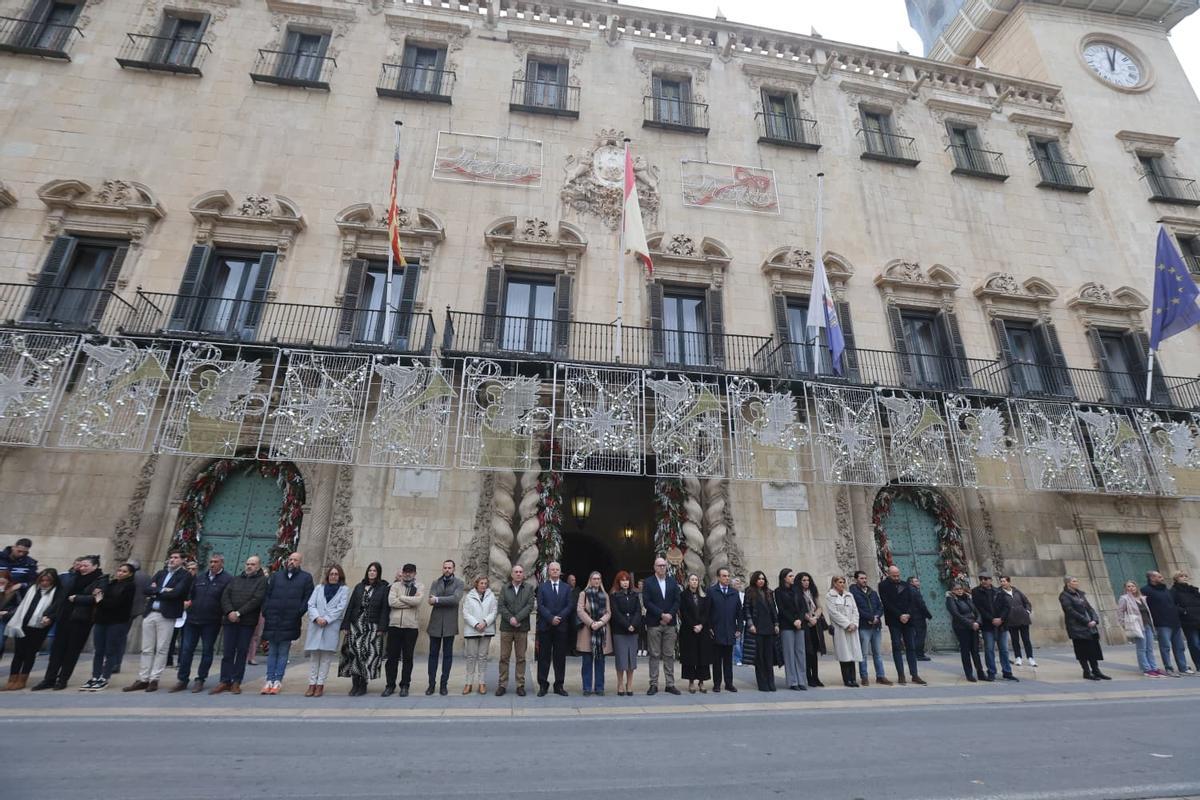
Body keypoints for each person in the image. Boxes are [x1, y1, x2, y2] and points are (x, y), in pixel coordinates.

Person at [124, 550, 193, 693]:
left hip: (166, 615)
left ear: (182, 560)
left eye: (175, 557)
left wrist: (158, 590)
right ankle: (143, 678)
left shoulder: (185, 576)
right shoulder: (160, 573)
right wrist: (164, 590)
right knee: (147, 648)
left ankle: (154, 679)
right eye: (171, 557)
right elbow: (146, 589)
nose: (172, 560)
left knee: (162, 648)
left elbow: (177, 593)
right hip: (150, 613)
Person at [33, 555, 104, 691]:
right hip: (64, 617)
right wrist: (50, 614)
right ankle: (49, 679)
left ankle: (63, 679)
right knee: (56, 650)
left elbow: (97, 599)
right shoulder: (73, 577)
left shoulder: (101, 579)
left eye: (86, 565)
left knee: (71, 651)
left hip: (82, 620)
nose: (82, 568)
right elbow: (61, 598)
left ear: (95, 566)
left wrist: (78, 598)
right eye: (81, 565)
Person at [171, 553, 232, 693]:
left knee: (207, 651)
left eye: (216, 562)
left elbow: (227, 598)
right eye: (211, 561)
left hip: (211, 621)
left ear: (222, 563)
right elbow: (190, 594)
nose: (212, 564)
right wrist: (187, 603)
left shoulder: (227, 579)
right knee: (186, 650)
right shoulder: (200, 578)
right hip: (193, 619)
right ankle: (183, 679)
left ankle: (200, 679)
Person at [210, 555, 267, 695]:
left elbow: (256, 599)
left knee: (241, 652)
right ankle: (224, 680)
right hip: (230, 621)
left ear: (259, 566)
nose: (249, 566)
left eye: (253, 564)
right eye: (247, 563)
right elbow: (225, 596)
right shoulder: (235, 579)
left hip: (246, 622)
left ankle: (236, 681)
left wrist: (239, 613)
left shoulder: (262, 581)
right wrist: (230, 612)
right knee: (228, 652)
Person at [260, 551, 313, 695]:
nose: (291, 562)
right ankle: (269, 679)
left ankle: (277, 680)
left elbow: (308, 597)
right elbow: (267, 594)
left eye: (295, 560)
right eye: (290, 559)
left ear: (300, 562)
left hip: (290, 619)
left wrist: (298, 613)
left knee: (283, 652)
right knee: (272, 651)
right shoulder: (276, 576)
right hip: (273, 618)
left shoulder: (306, 578)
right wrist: (266, 610)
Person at [4, 568, 63, 690]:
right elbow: (22, 605)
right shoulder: (32, 589)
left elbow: (57, 608)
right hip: (22, 624)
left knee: (30, 653)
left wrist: (50, 618)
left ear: (53, 581)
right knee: (18, 653)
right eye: (42, 580)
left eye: (48, 581)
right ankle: (12, 679)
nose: (44, 583)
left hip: (39, 627)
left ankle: (22, 680)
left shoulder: (57, 592)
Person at [84, 562, 136, 691]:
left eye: (124, 571)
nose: (120, 573)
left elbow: (117, 603)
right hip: (102, 619)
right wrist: (99, 597)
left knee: (110, 650)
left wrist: (100, 600)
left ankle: (105, 677)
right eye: (119, 570)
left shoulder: (130, 586)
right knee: (99, 650)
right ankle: (95, 676)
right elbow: (98, 597)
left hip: (117, 621)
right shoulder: (111, 583)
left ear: (130, 574)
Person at [339, 562, 389, 696]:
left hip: (372, 626)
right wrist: (345, 624)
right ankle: (355, 683)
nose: (372, 573)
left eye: (374, 571)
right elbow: (351, 606)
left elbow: (385, 609)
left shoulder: (382, 588)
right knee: (354, 653)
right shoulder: (359, 587)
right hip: (356, 625)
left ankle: (363, 683)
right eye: (370, 570)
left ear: (378, 573)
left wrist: (382, 627)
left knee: (366, 655)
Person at [304, 564, 349, 697]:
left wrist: (327, 619)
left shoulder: (344, 590)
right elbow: (311, 604)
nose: (333, 576)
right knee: (314, 657)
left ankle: (320, 684)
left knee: (325, 659)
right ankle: (311, 683)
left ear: (340, 576)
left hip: (330, 626)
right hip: (316, 625)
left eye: (336, 574)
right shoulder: (319, 588)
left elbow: (341, 608)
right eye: (331, 574)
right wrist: (317, 617)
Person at [878, 566, 927, 685]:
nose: (896, 577)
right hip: (894, 620)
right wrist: (900, 615)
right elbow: (886, 603)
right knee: (896, 647)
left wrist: (908, 614)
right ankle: (901, 674)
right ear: (888, 574)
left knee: (911, 647)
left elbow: (911, 601)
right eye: (894, 575)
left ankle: (914, 674)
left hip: (908, 620)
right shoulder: (883, 585)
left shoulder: (906, 585)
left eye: (898, 575)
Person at [383, 563, 424, 697]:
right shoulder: (395, 586)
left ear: (414, 573)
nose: (408, 574)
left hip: (410, 627)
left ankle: (405, 685)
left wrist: (401, 598)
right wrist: (409, 602)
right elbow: (391, 602)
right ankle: (390, 685)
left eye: (410, 572)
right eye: (406, 572)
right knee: (392, 658)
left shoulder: (420, 586)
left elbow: (418, 601)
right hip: (394, 626)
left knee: (408, 658)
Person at [642, 557, 681, 696]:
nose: (662, 568)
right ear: (654, 567)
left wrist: (669, 614)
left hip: (670, 624)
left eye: (664, 565)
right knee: (654, 654)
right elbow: (647, 602)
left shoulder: (672, 582)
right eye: (659, 565)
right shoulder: (648, 582)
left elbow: (677, 600)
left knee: (669, 654)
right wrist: (661, 614)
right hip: (654, 623)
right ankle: (653, 684)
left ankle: (670, 684)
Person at [426, 559, 464, 696]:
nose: (447, 570)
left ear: (454, 569)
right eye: (445, 567)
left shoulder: (459, 583)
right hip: (435, 624)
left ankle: (444, 684)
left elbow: (455, 599)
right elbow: (430, 600)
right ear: (442, 569)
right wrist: (437, 600)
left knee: (447, 656)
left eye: (449, 567)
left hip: (449, 624)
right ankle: (431, 684)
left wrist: (438, 599)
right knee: (433, 655)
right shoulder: (435, 583)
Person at [1059, 576, 1109, 680]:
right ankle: (1086, 672)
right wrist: (1086, 621)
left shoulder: (1080, 594)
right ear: (1068, 583)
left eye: (1076, 581)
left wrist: (1095, 619)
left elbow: (1089, 608)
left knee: (1093, 649)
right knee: (1083, 650)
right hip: (1078, 628)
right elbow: (1070, 611)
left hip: (1090, 626)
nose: (1077, 583)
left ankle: (1096, 670)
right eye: (1074, 581)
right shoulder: (1064, 596)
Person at [535, 561, 572, 697]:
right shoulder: (542, 587)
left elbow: (569, 605)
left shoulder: (566, 587)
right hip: (546, 626)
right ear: (549, 571)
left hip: (561, 627)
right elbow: (540, 605)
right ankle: (543, 685)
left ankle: (559, 685)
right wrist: (551, 618)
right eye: (553, 569)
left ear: (560, 571)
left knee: (560, 658)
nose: (555, 571)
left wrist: (559, 617)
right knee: (543, 657)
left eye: (557, 569)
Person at [495, 564, 533, 697]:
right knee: (504, 657)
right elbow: (501, 605)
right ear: (511, 574)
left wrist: (517, 618)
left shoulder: (529, 588)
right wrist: (510, 618)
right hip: (506, 628)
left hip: (522, 628)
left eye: (520, 572)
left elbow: (529, 606)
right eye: (516, 572)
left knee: (521, 658)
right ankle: (502, 684)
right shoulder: (505, 588)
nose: (518, 574)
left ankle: (520, 685)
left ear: (523, 574)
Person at [1143, 570, 1190, 675]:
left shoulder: (1166, 589)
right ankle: (1169, 668)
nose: (1162, 578)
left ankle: (1183, 668)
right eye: (1159, 577)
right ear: (1152, 578)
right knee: (1165, 647)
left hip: (1175, 622)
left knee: (1180, 647)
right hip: (1162, 623)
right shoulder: (1145, 590)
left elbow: (1172, 604)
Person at [972, 573, 1017, 682]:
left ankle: (1007, 672)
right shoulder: (976, 591)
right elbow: (979, 608)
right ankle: (991, 672)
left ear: (990, 580)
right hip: (988, 625)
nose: (983, 581)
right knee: (989, 650)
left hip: (1001, 625)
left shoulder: (998, 591)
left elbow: (1006, 606)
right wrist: (992, 619)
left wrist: (1001, 619)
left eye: (986, 579)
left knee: (1004, 650)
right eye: (981, 579)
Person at [849, 570, 889, 686]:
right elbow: (856, 609)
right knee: (863, 653)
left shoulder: (873, 592)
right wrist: (870, 617)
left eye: (865, 578)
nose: (864, 580)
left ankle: (880, 676)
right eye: (861, 578)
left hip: (876, 626)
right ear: (856, 579)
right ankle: (864, 676)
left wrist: (876, 617)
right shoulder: (853, 593)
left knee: (877, 653)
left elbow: (880, 606)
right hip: (864, 626)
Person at [576, 571, 612, 696]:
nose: (596, 581)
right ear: (590, 580)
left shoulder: (605, 595)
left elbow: (608, 612)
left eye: (598, 579)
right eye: (594, 578)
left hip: (601, 632)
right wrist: (591, 623)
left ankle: (599, 687)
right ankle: (586, 687)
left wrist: (601, 622)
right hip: (587, 631)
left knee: (600, 662)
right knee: (586, 662)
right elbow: (580, 610)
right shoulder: (583, 594)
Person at [1117, 580, 1163, 678]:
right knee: (1141, 648)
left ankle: (1153, 667)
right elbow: (1120, 613)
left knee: (1150, 648)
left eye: (1133, 586)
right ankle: (1146, 669)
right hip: (1136, 626)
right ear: (1125, 588)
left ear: (1136, 587)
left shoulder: (1142, 598)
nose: (1131, 588)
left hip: (1147, 625)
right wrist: (1124, 625)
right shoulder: (1124, 599)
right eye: (1128, 586)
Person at [707, 567, 741, 693]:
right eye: (724, 576)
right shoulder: (711, 591)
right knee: (717, 660)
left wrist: (739, 628)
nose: (727, 578)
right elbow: (708, 612)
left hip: (730, 630)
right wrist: (710, 627)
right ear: (718, 577)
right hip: (717, 630)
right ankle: (717, 684)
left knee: (728, 660)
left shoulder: (734, 592)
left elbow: (739, 612)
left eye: (728, 576)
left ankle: (729, 683)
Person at [744, 570, 779, 692]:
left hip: (769, 628)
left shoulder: (769, 592)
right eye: (759, 578)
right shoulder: (749, 591)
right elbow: (747, 609)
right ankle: (762, 683)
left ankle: (771, 682)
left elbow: (774, 610)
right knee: (759, 657)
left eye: (763, 579)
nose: (761, 581)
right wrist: (750, 624)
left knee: (769, 657)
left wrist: (776, 624)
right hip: (757, 628)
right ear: (754, 580)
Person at [462, 575, 497, 695]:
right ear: (476, 584)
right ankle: (468, 683)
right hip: (472, 630)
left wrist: (485, 622)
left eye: (485, 583)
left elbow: (494, 611)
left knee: (482, 657)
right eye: (481, 583)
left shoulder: (491, 596)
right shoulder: (469, 596)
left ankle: (482, 683)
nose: (483, 585)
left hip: (486, 630)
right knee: (471, 657)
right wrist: (476, 624)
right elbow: (465, 613)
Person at [610, 570, 643, 697]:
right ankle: (620, 684)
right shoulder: (614, 595)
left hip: (633, 631)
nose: (625, 582)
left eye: (627, 580)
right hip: (620, 631)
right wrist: (626, 625)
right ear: (618, 582)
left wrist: (633, 625)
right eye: (622, 580)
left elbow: (638, 611)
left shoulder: (634, 595)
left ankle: (629, 684)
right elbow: (616, 613)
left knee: (631, 659)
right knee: (621, 659)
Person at [825, 576, 861, 687]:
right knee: (844, 653)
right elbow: (833, 613)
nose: (842, 584)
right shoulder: (829, 596)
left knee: (853, 653)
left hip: (852, 629)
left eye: (843, 582)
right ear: (834, 583)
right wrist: (847, 624)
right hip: (841, 629)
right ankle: (847, 679)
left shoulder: (849, 595)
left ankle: (853, 679)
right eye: (840, 582)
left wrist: (854, 624)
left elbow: (855, 610)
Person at [775, 569, 807, 692]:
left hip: (799, 625)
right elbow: (781, 609)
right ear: (784, 578)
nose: (793, 578)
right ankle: (793, 681)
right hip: (787, 625)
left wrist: (799, 619)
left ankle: (801, 680)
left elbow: (803, 607)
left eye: (793, 575)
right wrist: (793, 621)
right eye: (790, 576)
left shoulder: (797, 590)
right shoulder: (778, 591)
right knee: (789, 654)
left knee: (800, 653)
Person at [678, 573, 711, 694]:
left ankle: (701, 682)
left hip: (703, 631)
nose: (694, 582)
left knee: (702, 657)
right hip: (688, 630)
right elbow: (684, 612)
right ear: (688, 581)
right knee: (690, 657)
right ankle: (691, 682)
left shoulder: (704, 595)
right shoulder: (683, 595)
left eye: (696, 580)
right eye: (692, 580)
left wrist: (701, 625)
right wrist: (693, 625)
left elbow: (707, 612)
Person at [1000, 575, 1036, 667]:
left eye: (1004, 581)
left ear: (1009, 582)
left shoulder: (1017, 591)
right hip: (1011, 620)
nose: (1002, 583)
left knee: (1026, 639)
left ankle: (1030, 657)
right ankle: (1018, 657)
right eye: (1001, 581)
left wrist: (1027, 611)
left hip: (1023, 618)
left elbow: (1026, 602)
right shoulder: (1000, 593)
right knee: (1015, 640)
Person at [798, 572, 826, 687]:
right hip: (805, 625)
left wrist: (815, 617)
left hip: (815, 624)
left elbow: (819, 607)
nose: (806, 582)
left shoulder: (812, 592)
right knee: (807, 652)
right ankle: (808, 677)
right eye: (804, 580)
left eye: (808, 580)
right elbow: (799, 609)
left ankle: (815, 676)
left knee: (814, 652)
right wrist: (809, 618)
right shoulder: (797, 594)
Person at [1170, 570, 1200, 669]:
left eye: (1185, 576)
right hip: (1188, 621)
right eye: (1181, 576)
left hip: (1198, 618)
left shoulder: (1193, 590)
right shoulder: (1174, 591)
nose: (1184, 578)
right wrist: (1183, 611)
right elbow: (1172, 605)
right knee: (1194, 644)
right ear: (1176, 578)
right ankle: (1199, 664)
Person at [907, 576, 933, 662]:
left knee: (915, 636)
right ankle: (919, 654)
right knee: (920, 636)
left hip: (911, 617)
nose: (918, 583)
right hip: (918, 617)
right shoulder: (915, 592)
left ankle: (914, 654)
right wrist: (928, 615)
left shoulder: (907, 590)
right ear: (911, 583)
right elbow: (921, 604)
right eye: (916, 581)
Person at [732, 577, 746, 665]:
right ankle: (737, 659)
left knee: (743, 641)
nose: (738, 584)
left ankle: (743, 658)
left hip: (743, 621)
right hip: (734, 622)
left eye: (739, 583)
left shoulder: (743, 595)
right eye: (736, 583)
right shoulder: (731, 594)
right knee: (737, 641)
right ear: (732, 585)